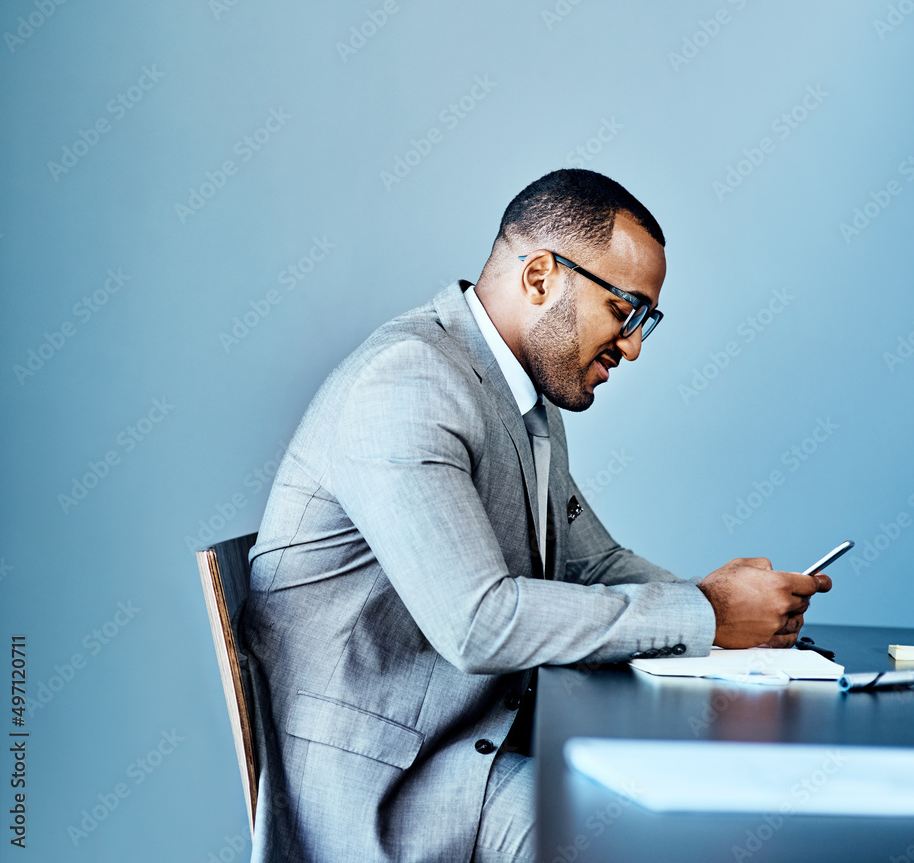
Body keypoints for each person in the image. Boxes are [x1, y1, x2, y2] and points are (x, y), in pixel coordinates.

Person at [241, 168, 832, 863]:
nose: (635, 345)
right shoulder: (407, 382)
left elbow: (593, 562)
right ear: (541, 277)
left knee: (686, 799)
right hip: (393, 801)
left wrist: (729, 614)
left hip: (473, 755)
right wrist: (704, 615)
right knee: (644, 830)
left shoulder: (522, 396)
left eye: (647, 320)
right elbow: (478, 623)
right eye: (625, 310)